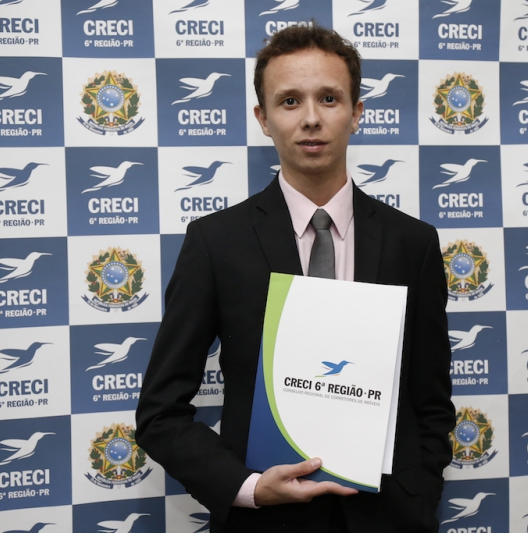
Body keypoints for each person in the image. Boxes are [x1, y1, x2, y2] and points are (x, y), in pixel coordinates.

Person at [136, 23, 455, 533]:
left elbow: (431, 400)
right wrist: (246, 488)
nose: (311, 118)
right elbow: (160, 413)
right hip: (267, 522)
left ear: (357, 112)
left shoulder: (411, 243)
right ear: (263, 119)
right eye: (289, 101)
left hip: (388, 519)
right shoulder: (216, 242)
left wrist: (420, 495)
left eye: (329, 98)